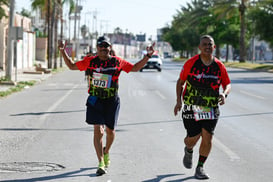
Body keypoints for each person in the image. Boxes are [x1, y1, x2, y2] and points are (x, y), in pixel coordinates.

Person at [58, 36, 155, 176]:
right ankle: (101, 162)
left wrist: (148, 56)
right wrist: (62, 51)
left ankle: (107, 151)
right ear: (97, 48)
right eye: (101, 46)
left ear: (110, 48)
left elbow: (135, 68)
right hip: (95, 100)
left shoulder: (117, 62)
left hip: (111, 100)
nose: (104, 49)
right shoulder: (90, 61)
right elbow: (72, 66)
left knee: (110, 131)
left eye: (106, 46)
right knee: (97, 130)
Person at [174, 35, 231, 179]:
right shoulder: (191, 63)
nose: (207, 46)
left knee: (207, 136)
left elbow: (227, 83)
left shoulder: (219, 66)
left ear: (214, 47)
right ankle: (188, 148)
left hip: (210, 108)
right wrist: (178, 101)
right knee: (193, 138)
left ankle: (200, 167)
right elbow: (180, 82)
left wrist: (224, 94)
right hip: (191, 107)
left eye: (210, 44)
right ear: (199, 47)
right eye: (204, 44)